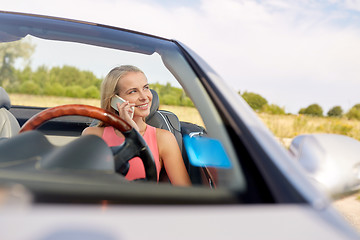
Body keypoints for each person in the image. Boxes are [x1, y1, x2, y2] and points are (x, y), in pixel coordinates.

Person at [82, 65, 191, 186]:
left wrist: (133, 134)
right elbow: (82, 186)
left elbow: (184, 191)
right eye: (133, 91)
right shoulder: (92, 135)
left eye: (146, 88)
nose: (144, 97)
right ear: (115, 101)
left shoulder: (164, 138)